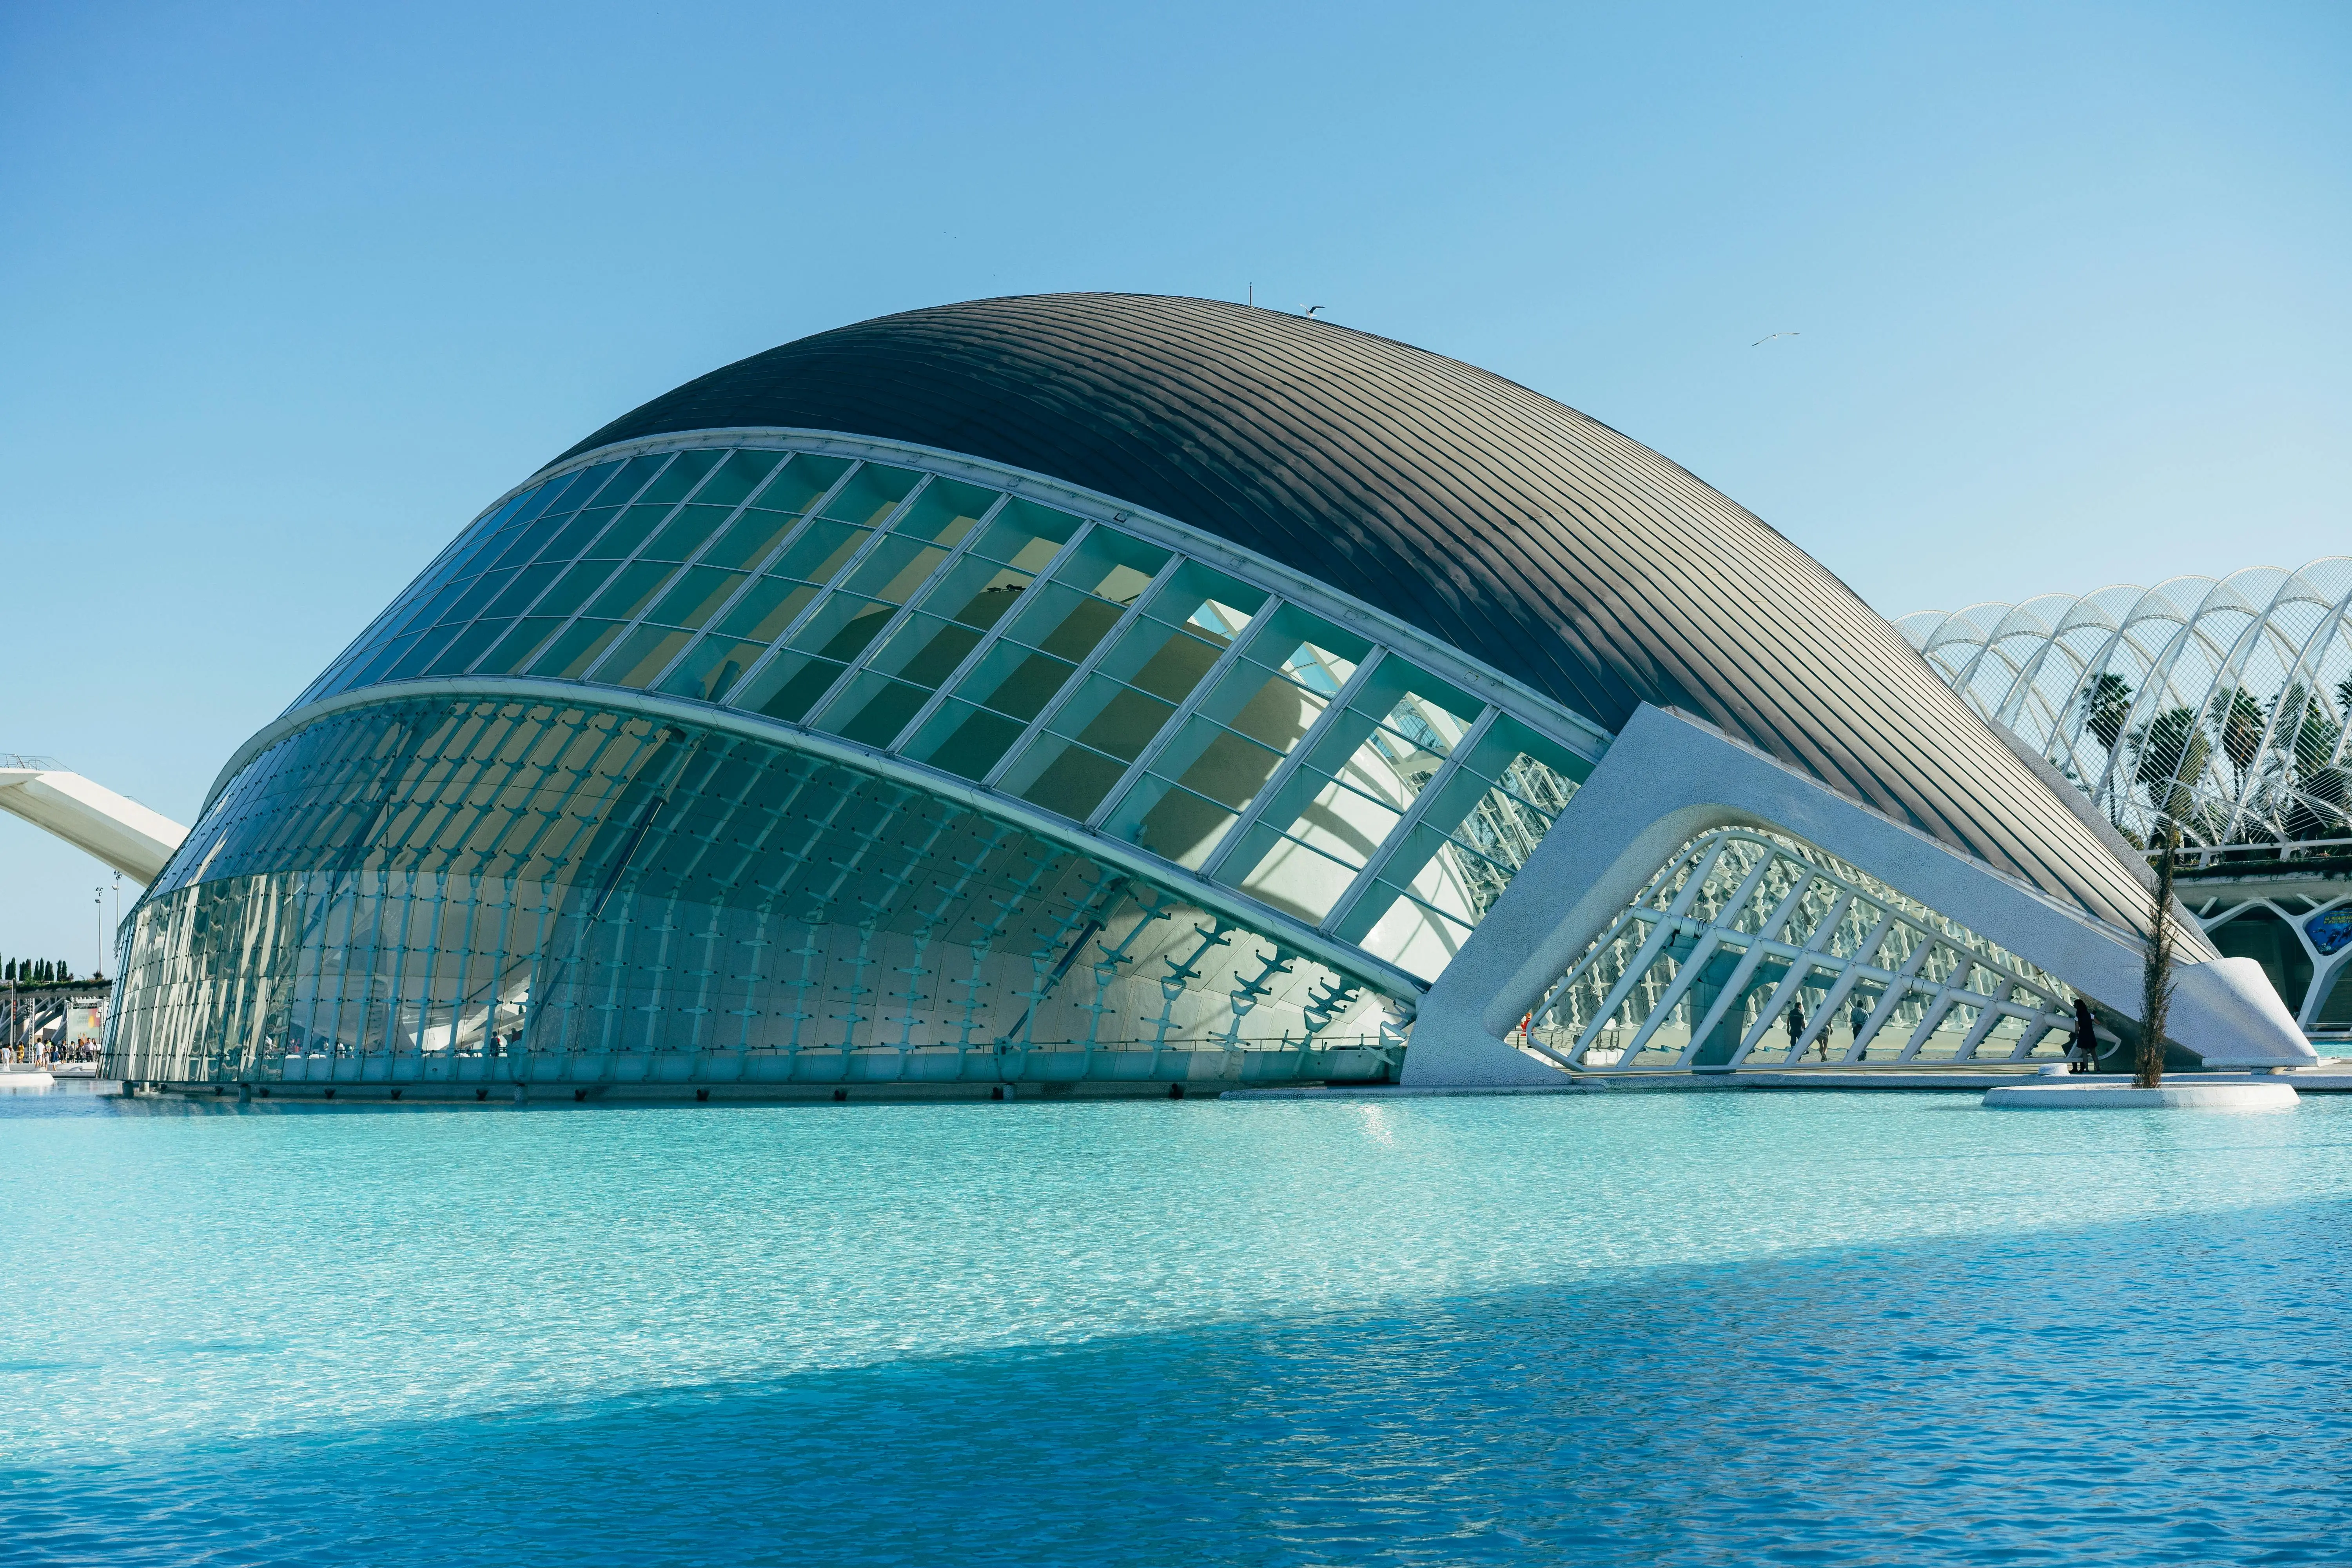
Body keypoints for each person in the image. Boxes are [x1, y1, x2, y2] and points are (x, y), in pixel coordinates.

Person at [2071, 996, 2098, 1073]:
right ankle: (2098, 1069)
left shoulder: (2078, 1018)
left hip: (2082, 1036)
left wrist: (2077, 1035)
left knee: (2084, 1054)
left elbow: (2077, 1029)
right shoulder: (2091, 1015)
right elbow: (2099, 1023)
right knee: (2094, 1054)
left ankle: (2087, 1070)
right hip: (2091, 1035)